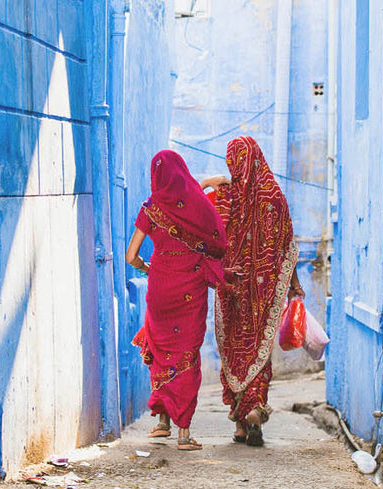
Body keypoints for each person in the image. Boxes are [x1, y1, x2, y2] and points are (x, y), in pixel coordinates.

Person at [125, 149, 226, 451]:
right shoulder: (195, 204)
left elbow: (131, 256)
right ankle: (184, 433)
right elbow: (216, 241)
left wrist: (148, 267)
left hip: (160, 286)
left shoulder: (151, 208)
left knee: (161, 349)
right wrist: (208, 185)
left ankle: (162, 423)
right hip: (189, 288)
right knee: (186, 353)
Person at [206, 136, 303, 447]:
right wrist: (294, 285)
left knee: (234, 350)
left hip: (230, 288)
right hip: (262, 293)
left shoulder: (225, 196)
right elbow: (286, 247)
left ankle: (238, 422)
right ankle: (255, 411)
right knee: (258, 351)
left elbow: (206, 226)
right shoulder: (274, 196)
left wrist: (214, 181)